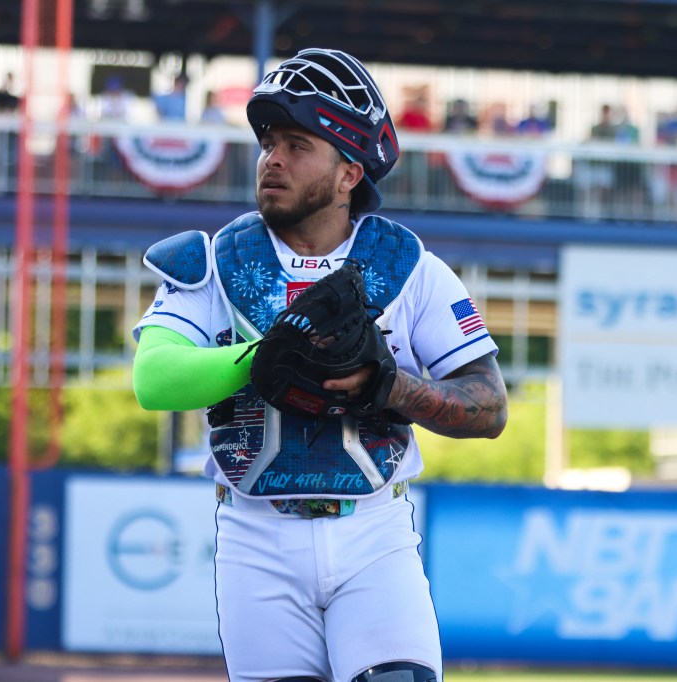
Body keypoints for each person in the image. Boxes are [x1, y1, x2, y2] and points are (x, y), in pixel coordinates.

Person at [132, 48, 508, 682]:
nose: (272, 158)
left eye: (298, 144)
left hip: (375, 534)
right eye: (269, 141)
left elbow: (491, 407)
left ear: (348, 174)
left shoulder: (412, 268)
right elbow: (154, 378)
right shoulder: (215, 260)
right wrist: (265, 357)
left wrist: (389, 385)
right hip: (255, 539)